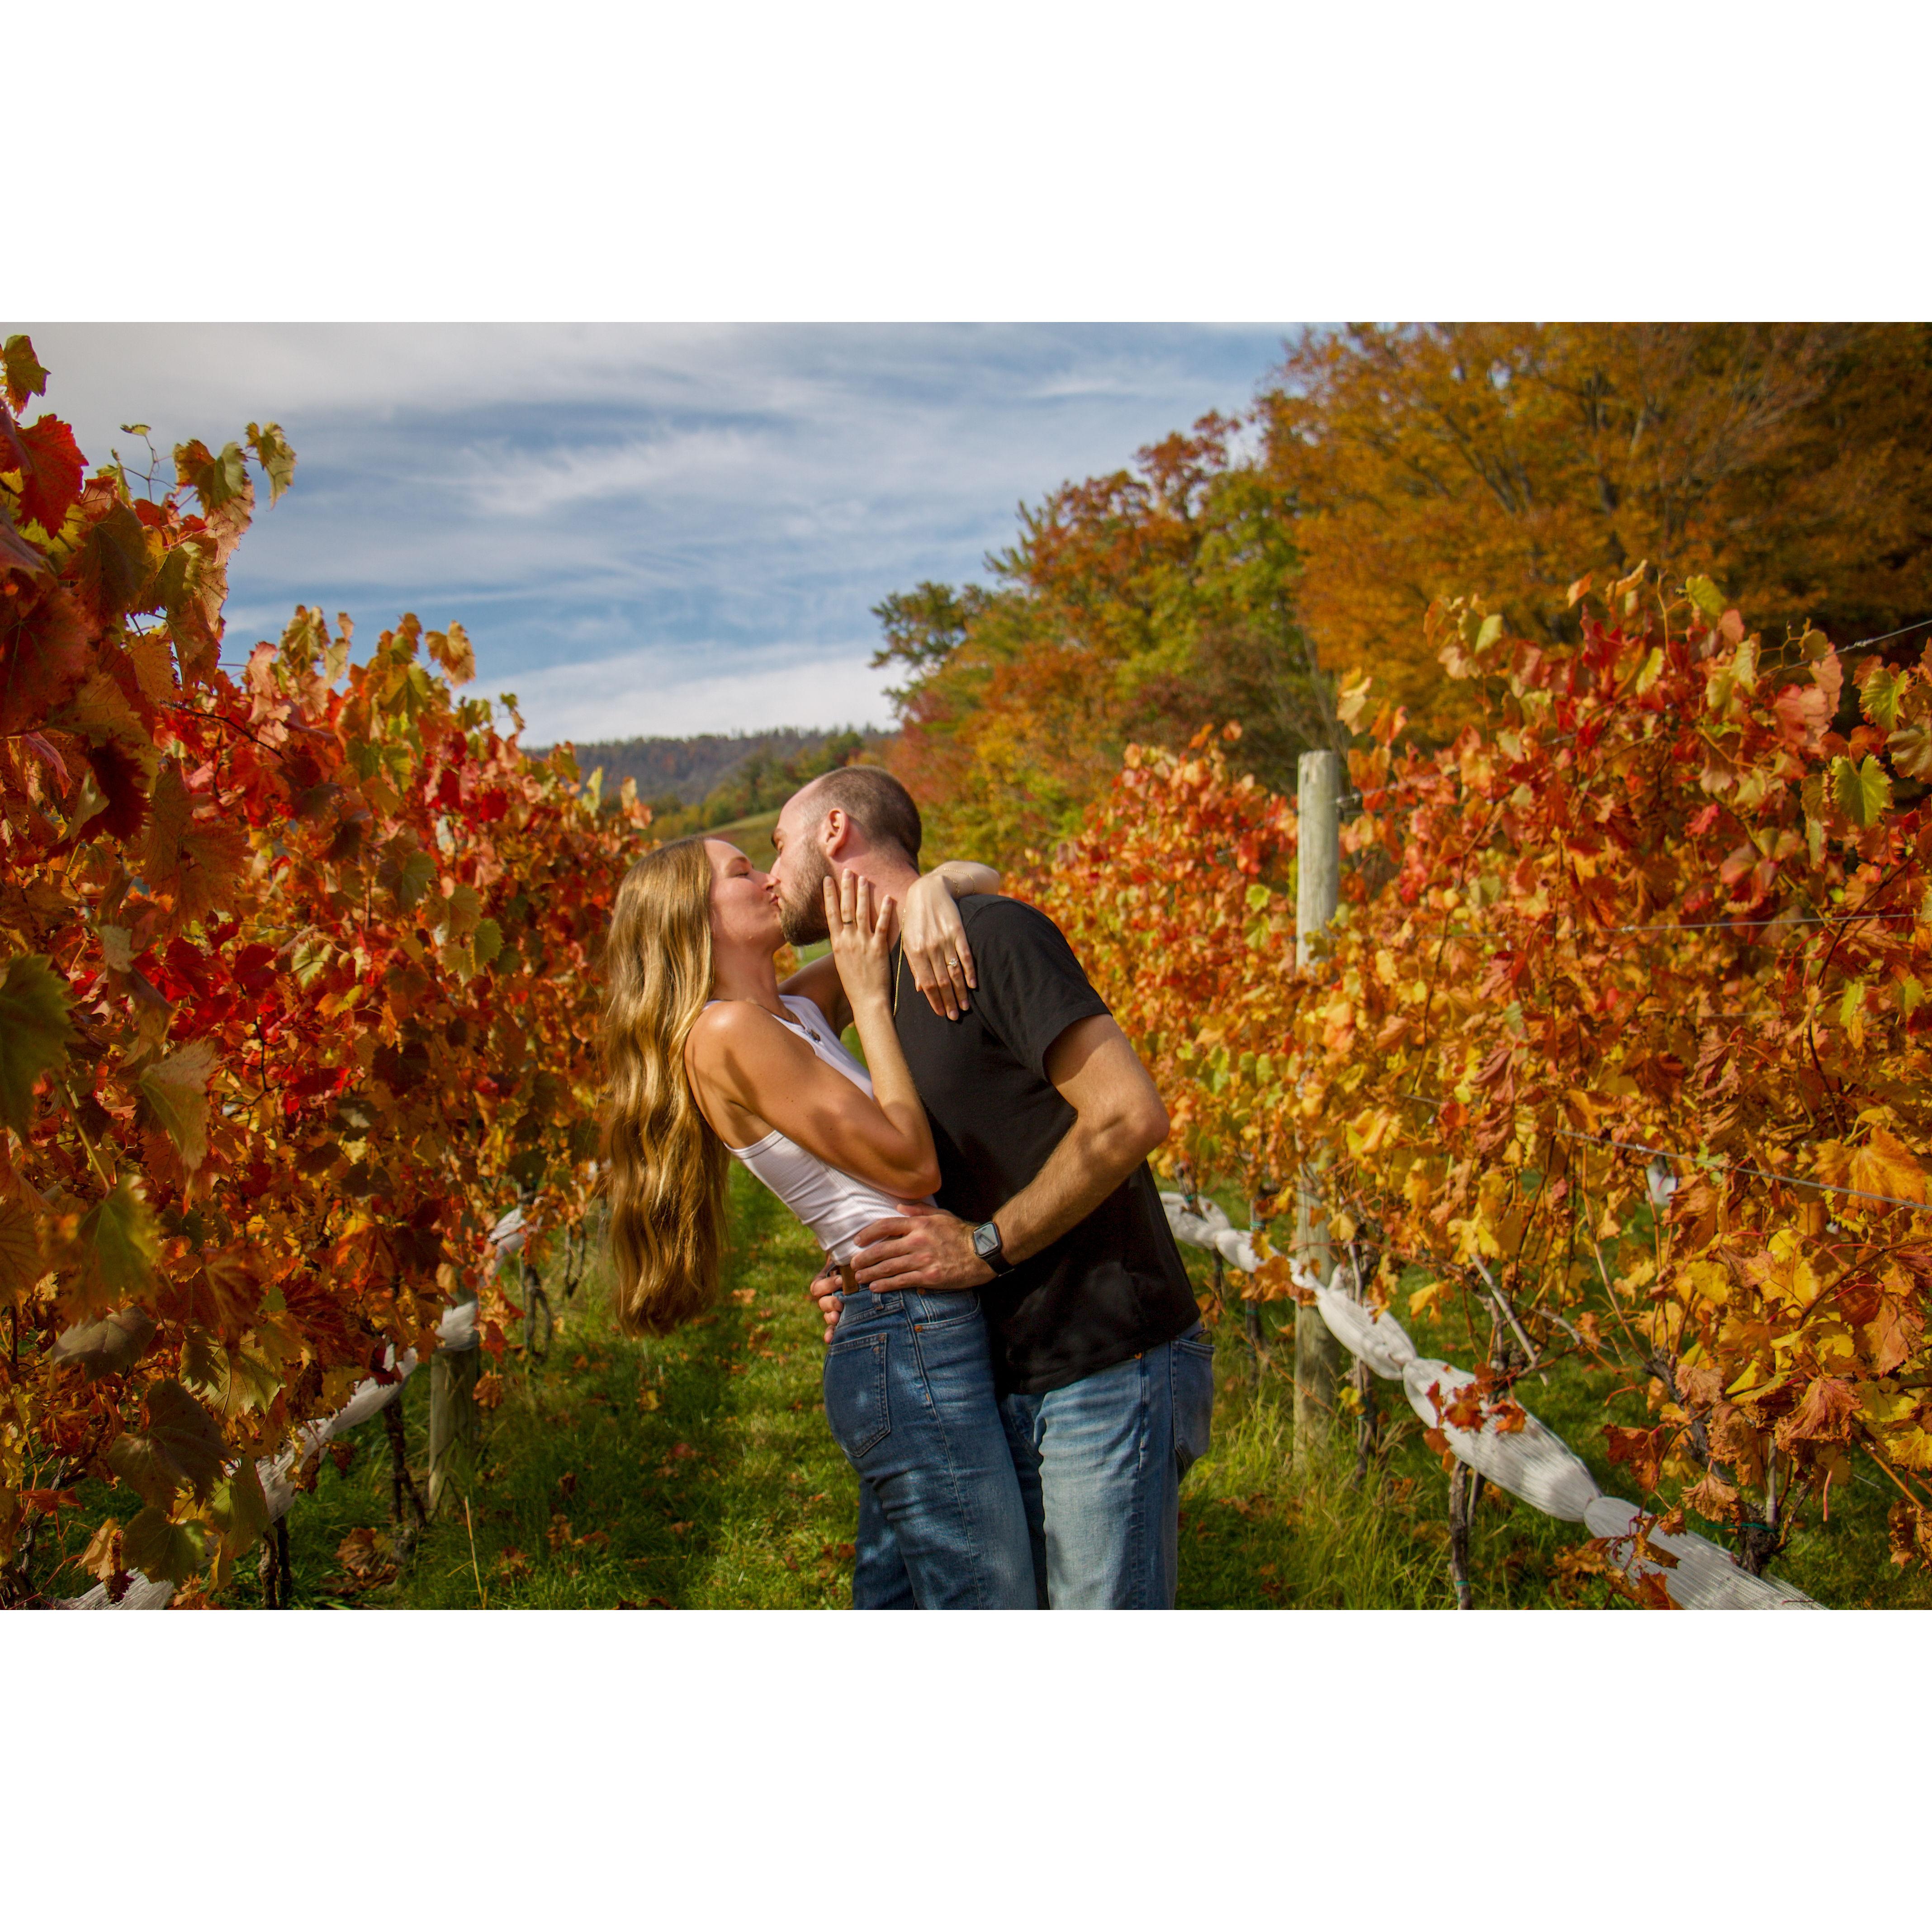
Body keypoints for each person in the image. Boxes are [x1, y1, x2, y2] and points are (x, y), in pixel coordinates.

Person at [768, 767, 1215, 1610]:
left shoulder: (993, 937)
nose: (770, 874)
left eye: (776, 845)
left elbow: (1129, 1116)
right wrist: (864, 1274)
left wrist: (984, 1249)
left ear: (833, 831)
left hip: (1105, 1354)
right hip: (994, 1368)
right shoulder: (872, 981)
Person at [601, 831, 1036, 1609]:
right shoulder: (725, 1034)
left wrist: (936, 885)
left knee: (902, 1600)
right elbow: (913, 1167)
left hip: (906, 1313)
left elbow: (964, 886)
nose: (770, 878)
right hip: (910, 1329)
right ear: (694, 917)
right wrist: (868, 1002)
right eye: (742, 872)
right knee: (986, 1597)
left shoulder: (791, 1008)